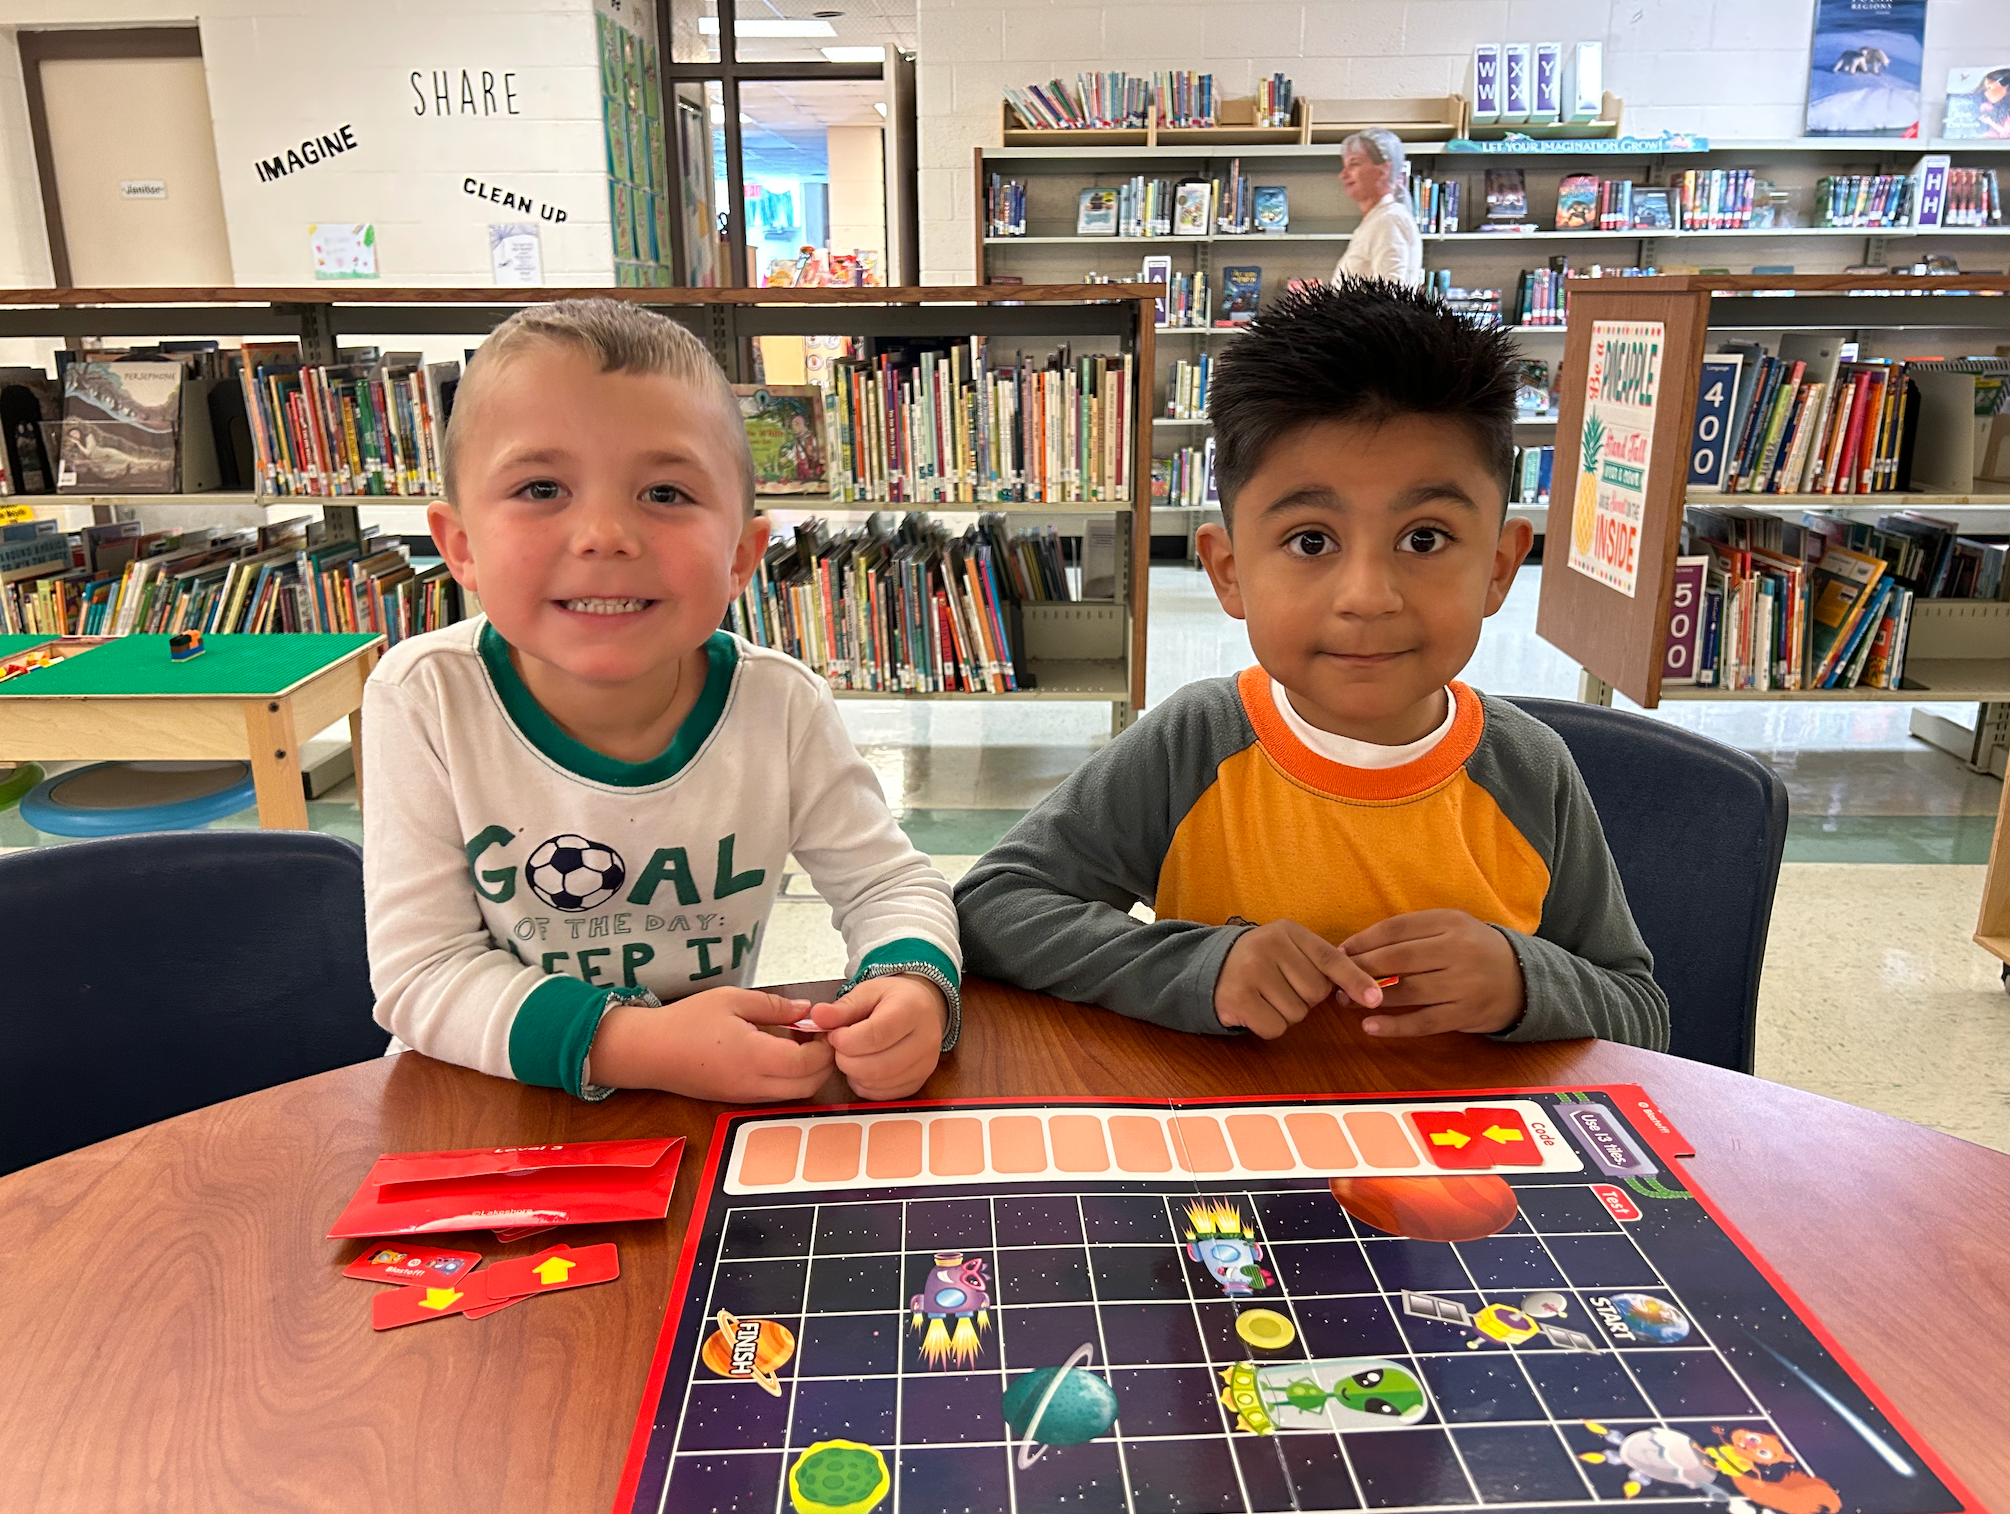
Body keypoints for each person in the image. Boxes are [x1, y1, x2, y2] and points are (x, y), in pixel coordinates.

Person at [955, 279, 1667, 1050]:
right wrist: (1199, 966)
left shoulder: (1530, 771)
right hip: (1232, 1147)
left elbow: (1640, 1010)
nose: (1369, 596)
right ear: (1229, 571)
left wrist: (1522, 980)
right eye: (1310, 541)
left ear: (1499, 568)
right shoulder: (1194, 744)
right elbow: (992, 908)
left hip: (1461, 1158)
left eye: (1424, 538)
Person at [364, 298, 960, 1105]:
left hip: (706, 1118)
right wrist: (633, 1043)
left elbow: (889, 886)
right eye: (542, 487)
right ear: (460, 545)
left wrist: (911, 985)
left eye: (667, 494)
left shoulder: (778, 705)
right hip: (497, 1109)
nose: (606, 533)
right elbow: (422, 975)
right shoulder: (425, 698)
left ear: (742, 555)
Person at [1332, 127, 1424, 288]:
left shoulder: (1389, 221)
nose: (1343, 174)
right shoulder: (1377, 220)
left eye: (1354, 164)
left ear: (1384, 170)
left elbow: (1391, 295)